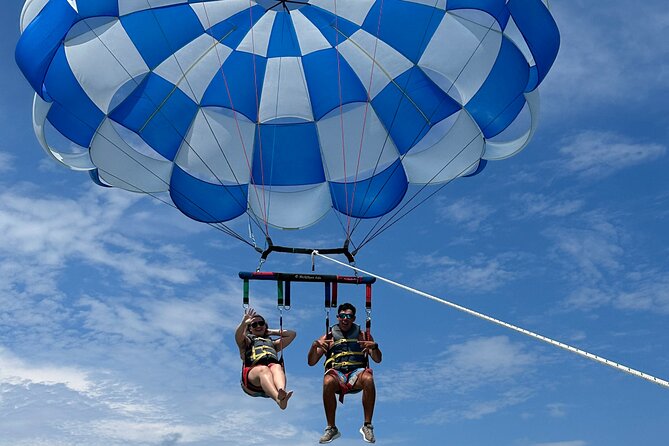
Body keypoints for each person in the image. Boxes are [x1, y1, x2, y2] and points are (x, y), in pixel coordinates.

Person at [308, 303, 382, 443]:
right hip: (337, 375)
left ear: (354, 318)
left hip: (357, 374)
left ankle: (367, 426)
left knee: (368, 378)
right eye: (342, 316)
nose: (345, 319)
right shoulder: (328, 337)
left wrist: (375, 347)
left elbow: (377, 359)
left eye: (349, 316)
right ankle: (331, 428)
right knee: (327, 381)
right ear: (338, 317)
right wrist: (314, 345)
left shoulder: (363, 336)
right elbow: (311, 362)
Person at [235, 307, 296, 410]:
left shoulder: (272, 343)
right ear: (250, 329)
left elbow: (292, 334)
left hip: (271, 377)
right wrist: (243, 323)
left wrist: (270, 332)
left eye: (261, 323)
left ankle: (281, 392)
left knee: (276, 366)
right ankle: (278, 400)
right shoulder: (247, 342)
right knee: (263, 369)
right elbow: (238, 336)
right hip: (252, 381)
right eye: (254, 325)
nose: (258, 326)